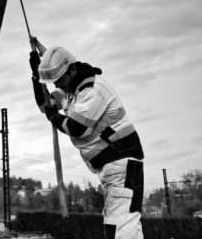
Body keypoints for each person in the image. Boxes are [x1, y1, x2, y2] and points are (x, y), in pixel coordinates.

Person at [29, 46, 145, 239]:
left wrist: (53, 116)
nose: (58, 85)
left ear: (73, 70)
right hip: (114, 166)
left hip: (121, 162)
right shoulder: (71, 93)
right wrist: (36, 77)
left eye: (60, 79)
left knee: (119, 227)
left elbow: (76, 127)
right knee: (126, 226)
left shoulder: (92, 90)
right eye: (54, 81)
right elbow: (45, 106)